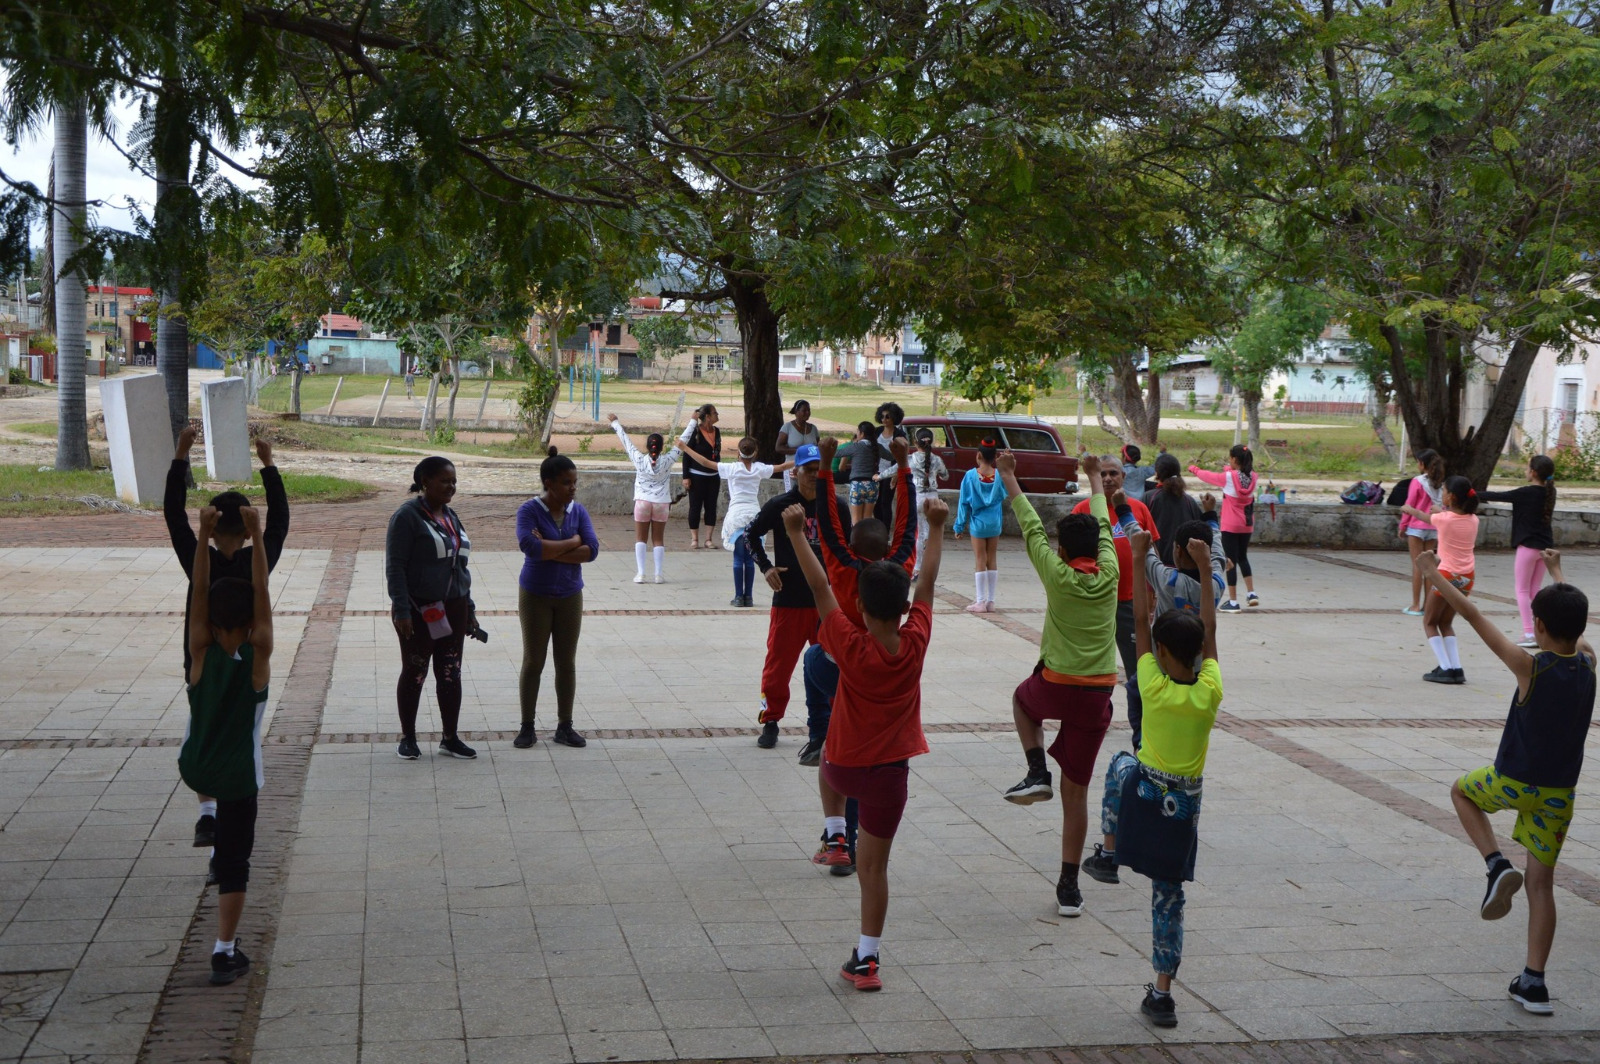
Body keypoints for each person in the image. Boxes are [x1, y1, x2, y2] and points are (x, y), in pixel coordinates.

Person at [781, 491, 947, 993]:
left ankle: (834, 833)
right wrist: (934, 526)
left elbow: (818, 584)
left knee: (828, 736)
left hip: (844, 767)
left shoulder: (848, 643)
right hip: (890, 776)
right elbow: (930, 582)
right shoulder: (915, 639)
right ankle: (867, 961)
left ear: (858, 603)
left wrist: (795, 533)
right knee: (874, 869)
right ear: (903, 606)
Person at [1420, 547, 1593, 1016]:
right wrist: (1557, 571)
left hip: (1513, 781)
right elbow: (1574, 622)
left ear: (1537, 625)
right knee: (1542, 885)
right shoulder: (1588, 663)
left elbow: (1472, 615)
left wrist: (1432, 573)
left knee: (1460, 790)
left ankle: (1495, 865)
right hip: (1560, 795)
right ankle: (1534, 983)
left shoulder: (1530, 667)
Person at [1081, 530, 1222, 1029]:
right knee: (1169, 896)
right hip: (1182, 811)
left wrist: (1139, 560)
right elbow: (1207, 628)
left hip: (1142, 793)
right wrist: (1205, 572)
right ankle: (1162, 995)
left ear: (1159, 652)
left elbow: (1139, 621)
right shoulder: (1210, 689)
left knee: (1120, 761)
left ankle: (1107, 850)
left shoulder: (1151, 685)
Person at [1000, 452, 1118, 920]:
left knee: (1021, 702)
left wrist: (1009, 477)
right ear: (1098, 548)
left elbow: (1030, 526)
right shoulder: (1108, 575)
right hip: (1097, 696)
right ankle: (1069, 887)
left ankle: (1035, 770)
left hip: (1055, 685)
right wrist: (1094, 479)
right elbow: (1105, 524)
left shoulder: (1058, 574)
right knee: (1078, 795)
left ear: (1064, 552)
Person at [165, 426, 288, 862]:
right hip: (251, 661)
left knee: (202, 725)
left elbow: (174, 517)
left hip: (199, 656)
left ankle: (207, 811)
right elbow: (282, 521)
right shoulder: (262, 559)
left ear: (213, 530)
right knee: (243, 732)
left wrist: (181, 455)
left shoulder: (201, 558)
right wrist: (269, 465)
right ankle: (228, 817)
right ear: (249, 527)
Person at [802, 438, 917, 873]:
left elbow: (826, 521)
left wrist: (828, 466)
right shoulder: (899, 569)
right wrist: (904, 466)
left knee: (836, 741)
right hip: (879, 677)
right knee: (861, 754)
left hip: (838, 666)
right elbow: (909, 526)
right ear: (887, 549)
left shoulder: (841, 565)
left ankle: (839, 837)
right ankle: (850, 835)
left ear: (851, 546)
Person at [178, 504, 274, 986]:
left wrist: (203, 537)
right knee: (236, 864)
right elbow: (263, 593)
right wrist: (257, 537)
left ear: (211, 623)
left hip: (197, 769)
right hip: (238, 780)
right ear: (253, 625)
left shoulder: (198, 652)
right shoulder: (257, 659)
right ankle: (223, 951)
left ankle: (205, 818)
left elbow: (198, 591)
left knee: (225, 848)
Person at [385, 457, 480, 761]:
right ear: (425, 481)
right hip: (417, 610)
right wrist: (401, 609)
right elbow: (395, 566)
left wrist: (470, 608)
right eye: (444, 480)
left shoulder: (451, 516)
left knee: (450, 672)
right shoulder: (407, 517)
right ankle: (408, 737)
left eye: (454, 481)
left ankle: (449, 739)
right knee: (415, 671)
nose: (451, 486)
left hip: (454, 607)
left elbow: (460, 566)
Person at [514, 447, 599, 750]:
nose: (572, 488)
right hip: (535, 594)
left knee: (566, 662)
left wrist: (556, 546)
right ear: (548, 483)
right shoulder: (529, 510)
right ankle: (527, 726)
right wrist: (572, 543)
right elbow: (531, 548)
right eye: (566, 482)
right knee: (533, 661)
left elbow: (592, 551)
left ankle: (565, 725)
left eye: (575, 482)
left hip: (569, 595)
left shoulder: (578, 511)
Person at [744, 444, 826, 748]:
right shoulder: (780, 505)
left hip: (826, 604)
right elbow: (749, 535)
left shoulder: (835, 507)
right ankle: (771, 720)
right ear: (796, 472)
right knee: (777, 668)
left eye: (819, 470)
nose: (813, 476)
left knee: (831, 665)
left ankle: (829, 721)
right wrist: (765, 567)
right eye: (808, 470)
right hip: (788, 600)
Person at [1074, 456, 1158, 747]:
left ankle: (1145, 722)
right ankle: (1090, 717)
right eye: (1103, 474)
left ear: (1124, 477)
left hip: (1129, 604)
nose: (1108, 479)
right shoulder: (1083, 510)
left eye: (1113, 473)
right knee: (1091, 665)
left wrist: (1152, 596)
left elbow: (1151, 555)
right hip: (1095, 603)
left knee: (1138, 668)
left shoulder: (1139, 510)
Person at [682, 431, 793, 607]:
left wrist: (685, 448)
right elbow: (781, 467)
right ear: (755, 453)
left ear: (738, 453)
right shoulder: (759, 468)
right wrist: (801, 460)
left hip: (736, 515)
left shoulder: (731, 468)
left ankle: (738, 596)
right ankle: (748, 596)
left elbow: (704, 462)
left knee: (738, 558)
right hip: (754, 515)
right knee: (750, 557)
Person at [1401, 475, 1480, 684]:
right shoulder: (1473, 519)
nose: (1441, 494)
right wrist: (1442, 510)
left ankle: (1445, 667)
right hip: (1466, 577)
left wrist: (1410, 510)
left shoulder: (1444, 520)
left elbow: (1425, 517)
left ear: (1451, 497)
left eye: (1444, 491)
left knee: (1429, 622)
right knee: (1446, 622)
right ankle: (1456, 667)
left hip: (1445, 576)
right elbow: (1449, 517)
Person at [1479, 455, 1557, 647]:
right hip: (1544, 549)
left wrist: (1470, 493)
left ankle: (1529, 633)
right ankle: (1543, 631)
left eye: (1527, 467)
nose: (1525, 470)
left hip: (1528, 548)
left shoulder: (1525, 492)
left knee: (1522, 590)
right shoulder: (1549, 493)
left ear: (1533, 472)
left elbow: (1497, 496)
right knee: (1534, 591)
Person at [609, 414, 693, 584]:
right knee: (658, 539)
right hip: (662, 503)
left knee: (640, 538)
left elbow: (626, 442)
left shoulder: (639, 459)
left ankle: (640, 574)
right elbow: (683, 440)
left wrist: (615, 423)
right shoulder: (669, 460)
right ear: (662, 448)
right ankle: (658, 574)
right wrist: (692, 421)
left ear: (647, 447)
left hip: (642, 502)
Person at [1188, 444, 1260, 611]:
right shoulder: (1254, 477)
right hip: (1247, 524)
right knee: (1243, 557)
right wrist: (1230, 469)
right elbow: (1239, 475)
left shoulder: (1228, 477)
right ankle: (1251, 593)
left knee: (1230, 561)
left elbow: (1209, 476)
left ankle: (1233, 602)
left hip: (1230, 525)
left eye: (1230, 458)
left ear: (1234, 459)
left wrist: (1195, 469)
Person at [953, 437, 1007, 613]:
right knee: (992, 558)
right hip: (995, 523)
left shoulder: (970, 476)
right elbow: (1005, 493)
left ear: (978, 455)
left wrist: (959, 527)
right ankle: (991, 601)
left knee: (980, 559)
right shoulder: (1000, 476)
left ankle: (980, 601)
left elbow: (963, 503)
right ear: (995, 457)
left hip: (978, 523)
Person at [1399, 450, 1448, 616]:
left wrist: (1403, 526)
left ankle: (1415, 605)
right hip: (1433, 527)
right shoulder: (1440, 483)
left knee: (1417, 566)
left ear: (1422, 464)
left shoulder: (1417, 481)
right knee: (1430, 567)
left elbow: (1410, 504)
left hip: (1416, 527)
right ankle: (1428, 604)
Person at [1145, 453, 1203, 567]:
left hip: (1156, 567)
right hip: (1185, 566)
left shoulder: (1149, 498)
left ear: (1156, 473)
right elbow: (1201, 530)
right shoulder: (1189, 501)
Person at [682, 404, 723, 549]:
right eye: (715, 413)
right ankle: (694, 539)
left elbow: (717, 452)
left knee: (711, 507)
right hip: (696, 476)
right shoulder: (695, 431)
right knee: (695, 507)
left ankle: (708, 539)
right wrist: (686, 476)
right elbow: (686, 454)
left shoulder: (717, 431)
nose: (717, 415)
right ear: (707, 417)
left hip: (713, 476)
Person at [909, 428, 947, 576]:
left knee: (919, 532)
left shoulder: (911, 459)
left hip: (918, 497)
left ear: (915, 442)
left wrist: (878, 477)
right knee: (931, 533)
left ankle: (917, 567)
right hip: (933, 498)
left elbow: (894, 470)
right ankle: (929, 566)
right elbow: (945, 476)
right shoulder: (936, 459)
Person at [871, 402, 909, 527]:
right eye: (882, 417)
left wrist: (896, 475)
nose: (884, 419)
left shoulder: (899, 435)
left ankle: (885, 531)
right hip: (876, 472)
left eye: (888, 416)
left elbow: (903, 457)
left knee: (885, 503)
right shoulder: (877, 432)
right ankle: (878, 527)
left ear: (894, 417)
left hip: (890, 473)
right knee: (875, 503)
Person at [842, 421, 884, 525]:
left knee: (856, 520)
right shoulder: (878, 447)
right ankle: (867, 540)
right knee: (867, 518)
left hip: (857, 485)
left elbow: (837, 453)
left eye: (857, 431)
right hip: (873, 485)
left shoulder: (856, 446)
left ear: (862, 433)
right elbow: (891, 456)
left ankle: (857, 540)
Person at [776, 400, 820, 492]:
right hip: (791, 468)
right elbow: (778, 447)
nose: (807, 413)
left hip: (808, 469)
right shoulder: (787, 427)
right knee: (791, 495)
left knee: (808, 494)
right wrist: (800, 450)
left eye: (809, 410)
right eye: (804, 410)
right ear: (796, 412)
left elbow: (818, 448)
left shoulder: (813, 429)